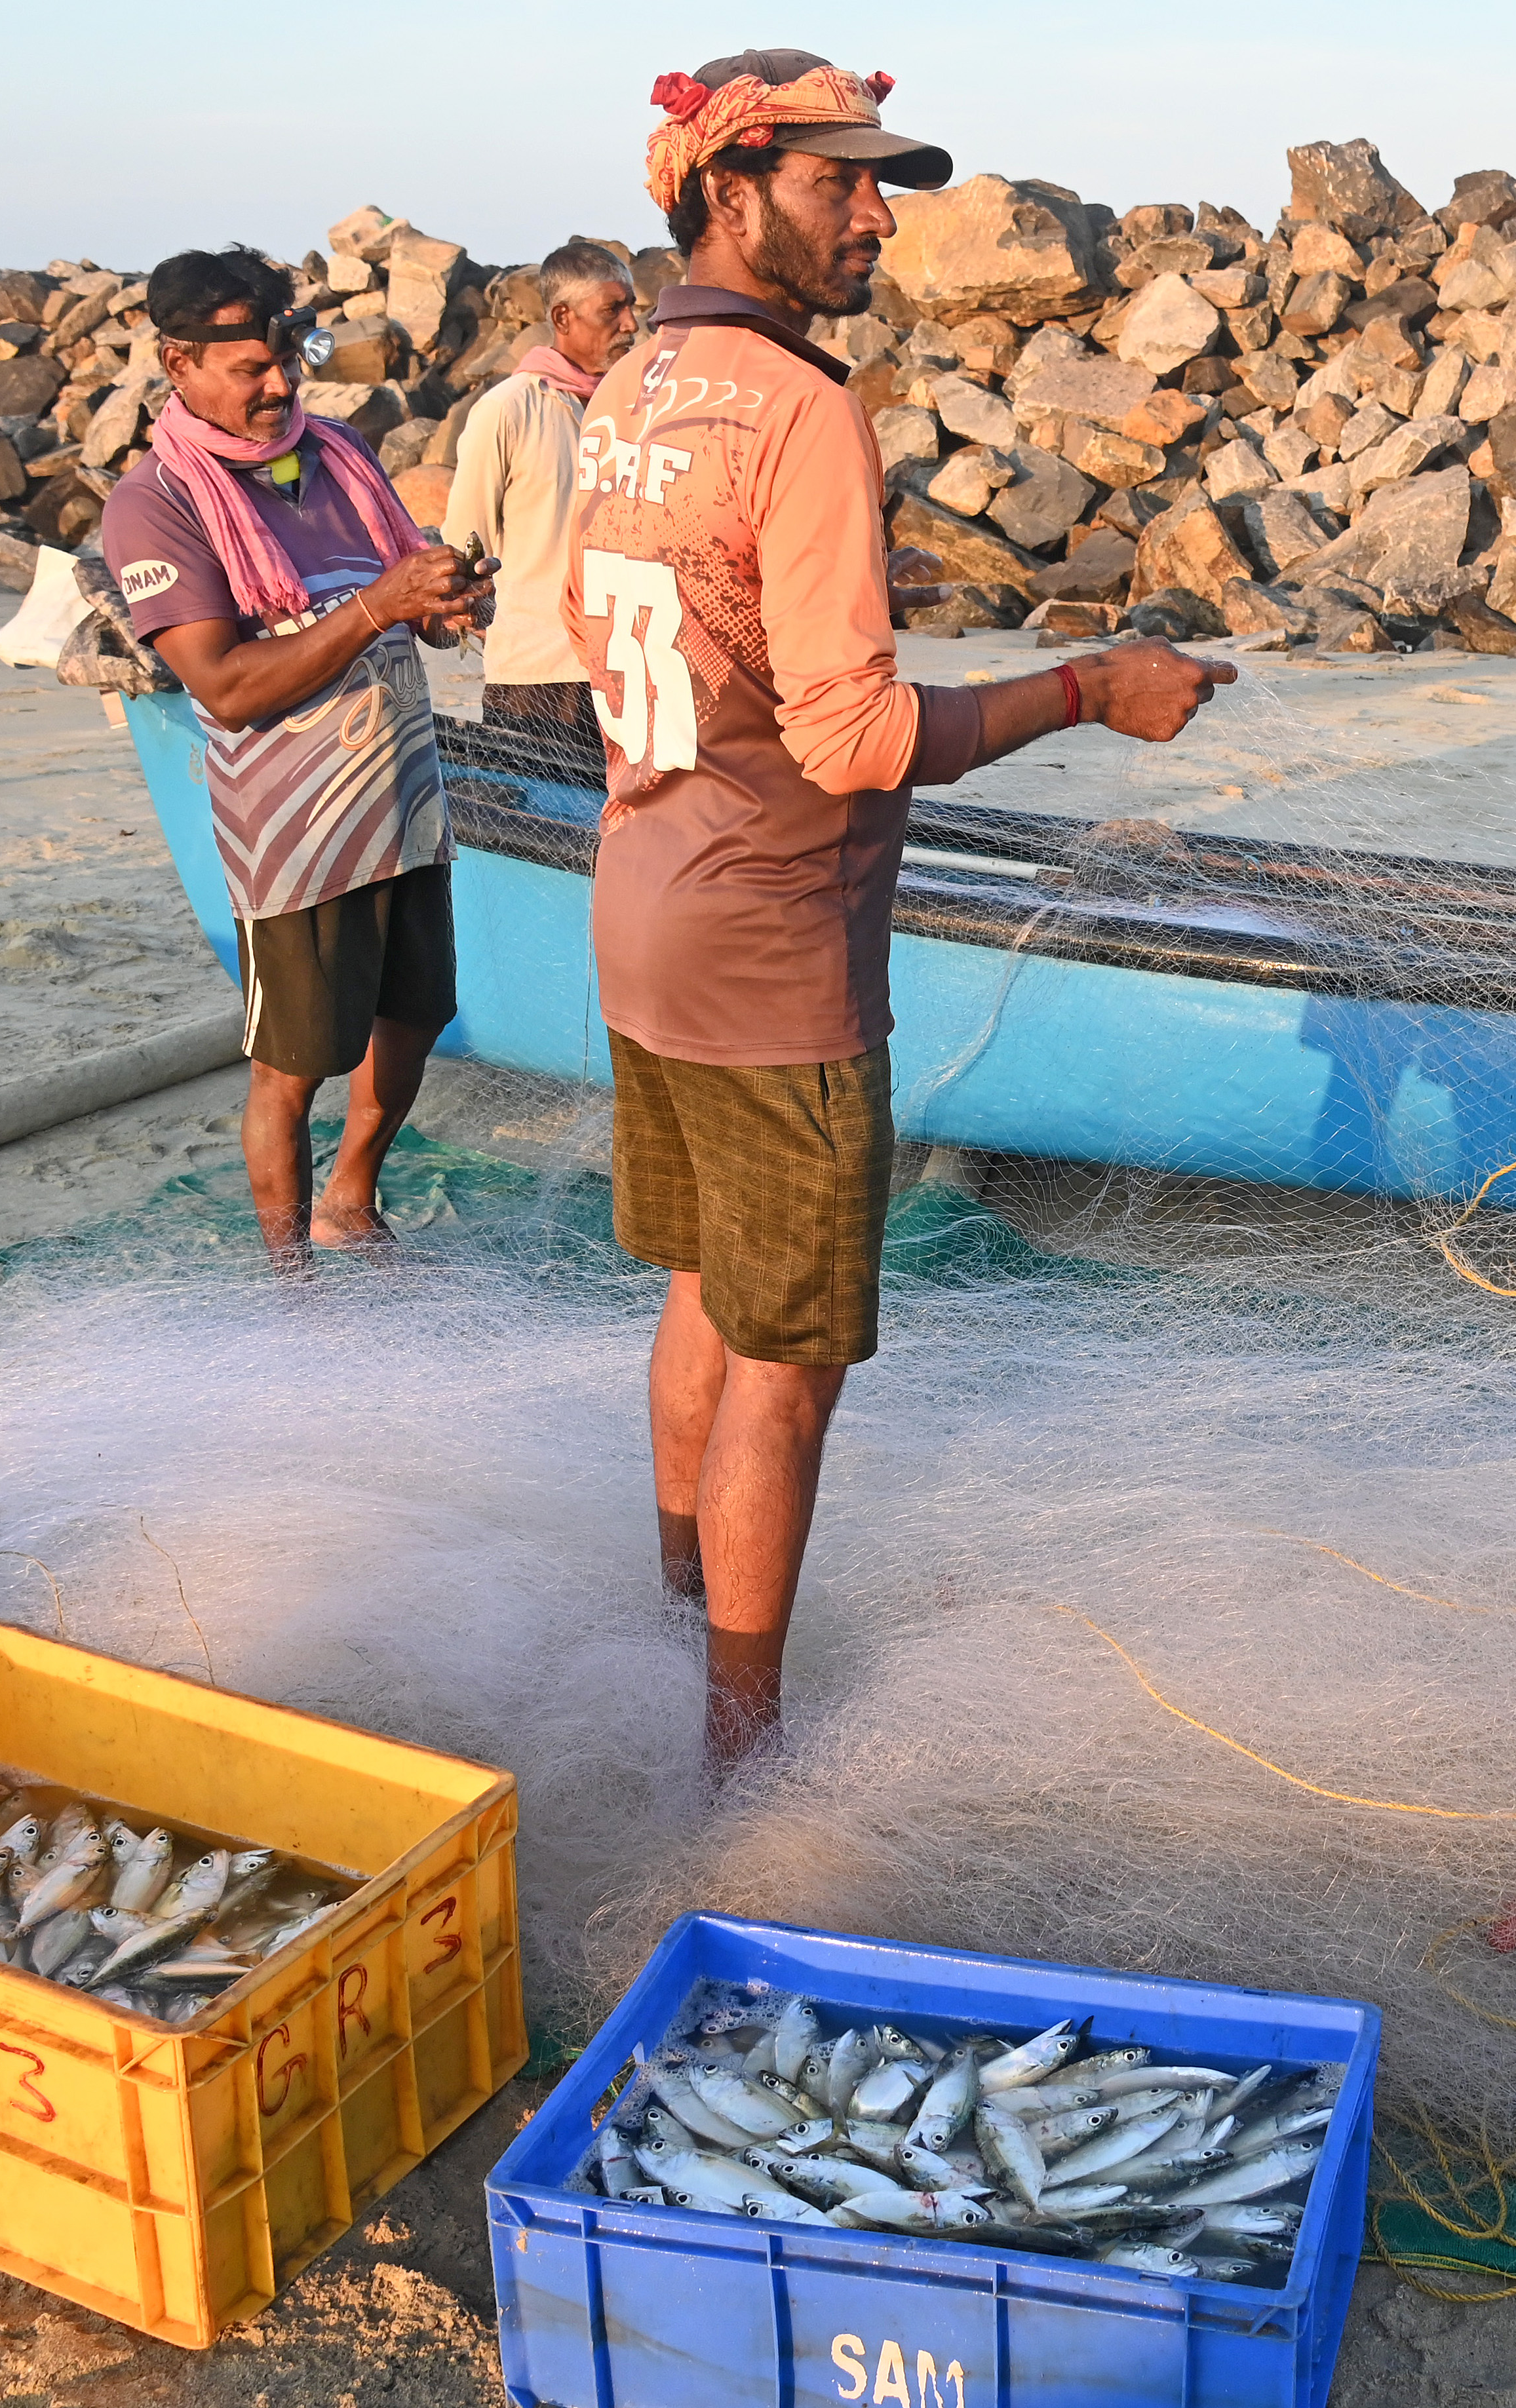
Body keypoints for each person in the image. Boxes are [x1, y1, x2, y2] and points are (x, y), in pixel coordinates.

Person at [586, 52, 1235, 1766]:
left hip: (639, 909)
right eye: (839, 182)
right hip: (773, 950)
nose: (879, 215)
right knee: (784, 1366)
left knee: (699, 1284)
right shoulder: (801, 405)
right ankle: (739, 1746)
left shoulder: (634, 383)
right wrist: (1090, 687)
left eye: (883, 183)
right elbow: (859, 736)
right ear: (733, 192)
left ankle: (661, 1612)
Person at [98, 245, 491, 1258]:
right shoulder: (156, 501)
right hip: (297, 835)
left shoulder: (340, 456)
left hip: (405, 806)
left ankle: (351, 1193)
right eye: (251, 369)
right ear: (176, 363)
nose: (280, 385)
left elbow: (404, 602)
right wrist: (377, 607)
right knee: (292, 1064)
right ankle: (289, 1271)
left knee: (414, 1020)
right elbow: (224, 687)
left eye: (288, 357)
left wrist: (443, 604)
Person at [448, 240, 640, 743]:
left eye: (631, 307)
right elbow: (466, 545)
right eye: (612, 310)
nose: (631, 325)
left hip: (628, 666)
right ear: (563, 317)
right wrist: (477, 619)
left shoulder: (632, 409)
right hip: (537, 674)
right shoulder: (507, 409)